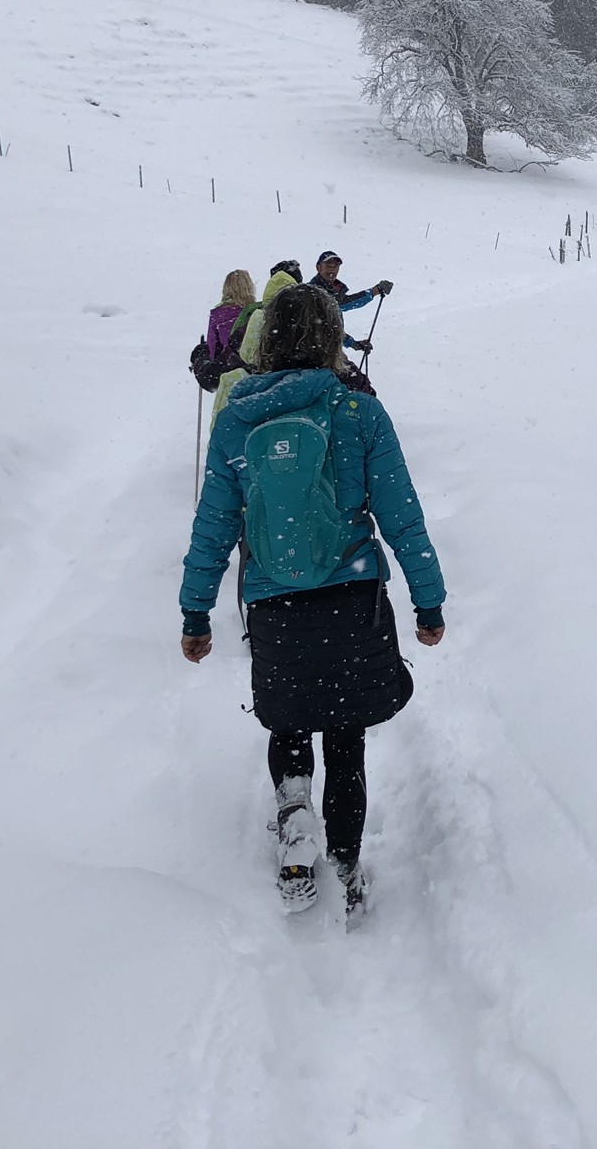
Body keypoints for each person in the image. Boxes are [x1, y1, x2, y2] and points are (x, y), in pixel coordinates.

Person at [179, 282, 447, 920]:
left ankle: (294, 812)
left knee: (291, 719)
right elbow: (402, 515)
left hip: (275, 603)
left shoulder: (236, 421)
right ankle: (348, 863)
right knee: (346, 735)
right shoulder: (358, 413)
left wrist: (195, 612)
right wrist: (428, 602)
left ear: (266, 341)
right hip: (351, 599)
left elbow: (213, 524)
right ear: (330, 339)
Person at [309, 251, 393, 360]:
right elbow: (343, 304)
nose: (332, 270)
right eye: (328, 266)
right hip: (314, 354)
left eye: (335, 267)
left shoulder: (332, 290)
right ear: (318, 267)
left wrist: (353, 344)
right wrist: (374, 291)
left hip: (326, 352)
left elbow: (332, 329)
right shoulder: (313, 292)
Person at [205, 269, 257, 421]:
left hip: (227, 370)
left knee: (226, 414)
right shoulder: (255, 312)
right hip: (250, 371)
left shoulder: (218, 314)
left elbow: (212, 349)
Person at [236, 260, 301, 373]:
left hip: (259, 373)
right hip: (294, 373)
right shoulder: (301, 317)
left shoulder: (257, 315)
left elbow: (246, 353)